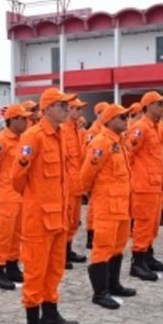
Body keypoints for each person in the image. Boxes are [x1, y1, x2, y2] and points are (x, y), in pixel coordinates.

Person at [12, 88, 80, 324]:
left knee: (54, 269)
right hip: (39, 217)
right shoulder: (33, 136)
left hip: (58, 215)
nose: (66, 110)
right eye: (62, 106)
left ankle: (50, 313)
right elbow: (18, 178)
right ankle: (32, 321)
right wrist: (35, 199)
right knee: (35, 270)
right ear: (49, 108)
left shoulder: (61, 135)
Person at [80, 104, 137, 309]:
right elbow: (86, 175)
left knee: (118, 246)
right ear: (110, 119)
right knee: (103, 247)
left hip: (122, 204)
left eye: (127, 116)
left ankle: (114, 284)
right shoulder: (101, 142)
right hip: (106, 204)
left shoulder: (119, 142)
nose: (126, 120)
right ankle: (100, 292)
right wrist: (91, 196)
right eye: (122, 117)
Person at [126, 91, 163, 281]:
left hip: (155, 183)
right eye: (159, 104)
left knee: (152, 225)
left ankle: (148, 255)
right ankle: (138, 262)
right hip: (143, 185)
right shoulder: (141, 128)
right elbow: (129, 153)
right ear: (149, 106)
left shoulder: (154, 127)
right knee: (143, 224)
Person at [0, 104, 30, 290]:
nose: (26, 121)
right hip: (6, 194)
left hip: (21, 194)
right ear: (13, 120)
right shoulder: (1, 140)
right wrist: (2, 185)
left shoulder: (24, 139)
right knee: (4, 233)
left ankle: (12, 265)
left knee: (17, 233)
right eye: (22, 118)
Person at [63, 95, 89, 267]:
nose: (80, 112)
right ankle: (62, 254)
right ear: (69, 110)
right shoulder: (63, 130)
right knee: (65, 221)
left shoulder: (77, 131)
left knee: (74, 220)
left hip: (77, 182)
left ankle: (68, 248)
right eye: (77, 108)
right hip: (67, 184)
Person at [83, 101, 110, 249]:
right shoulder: (93, 132)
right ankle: (90, 233)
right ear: (98, 114)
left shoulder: (107, 130)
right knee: (93, 207)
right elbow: (89, 155)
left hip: (104, 174)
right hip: (95, 171)